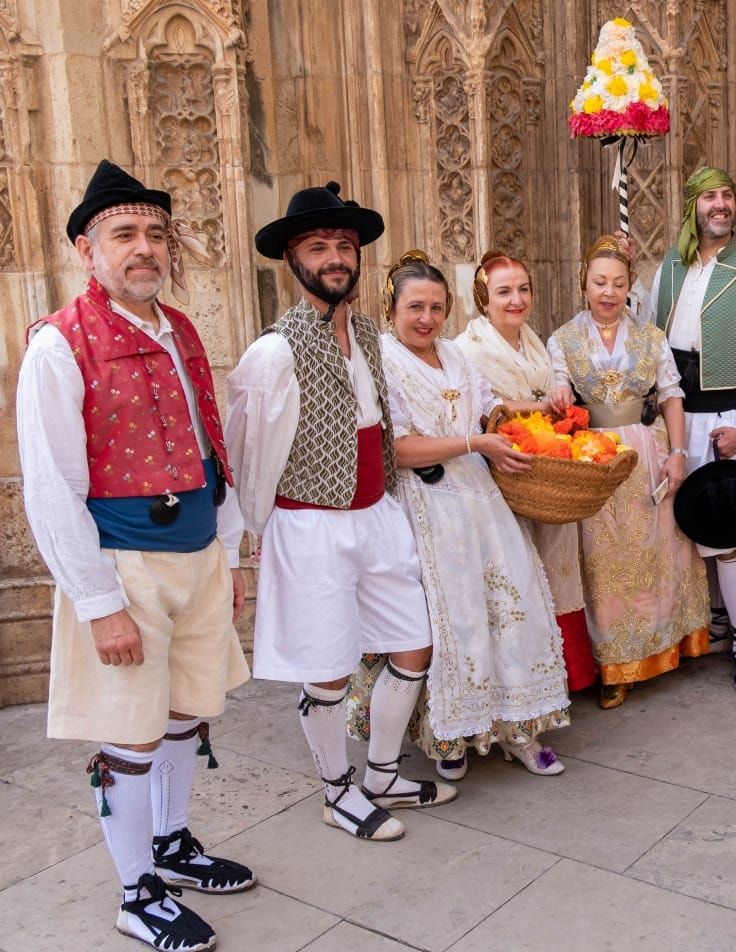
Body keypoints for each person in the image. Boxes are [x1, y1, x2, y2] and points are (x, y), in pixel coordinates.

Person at [17, 159, 255, 952]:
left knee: (188, 712)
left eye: (155, 233)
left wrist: (229, 552)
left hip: (196, 554)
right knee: (132, 735)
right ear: (88, 248)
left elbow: (210, 448)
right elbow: (52, 486)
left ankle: (172, 844)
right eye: (124, 234)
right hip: (124, 562)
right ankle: (134, 892)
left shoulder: (180, 328)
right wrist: (97, 602)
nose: (143, 247)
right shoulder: (59, 344)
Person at [226, 182, 453, 844]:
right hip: (311, 522)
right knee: (326, 665)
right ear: (292, 260)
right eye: (319, 246)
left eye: (344, 247)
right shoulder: (273, 352)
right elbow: (251, 454)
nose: (334, 258)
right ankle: (336, 790)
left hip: (376, 511)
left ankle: (381, 773)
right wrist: (250, 542)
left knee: (412, 644)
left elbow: (383, 423)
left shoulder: (369, 335)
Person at [350, 250, 570, 780]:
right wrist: (477, 440)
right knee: (451, 619)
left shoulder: (455, 355)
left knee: (513, 605)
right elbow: (396, 449)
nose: (426, 318)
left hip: (480, 498)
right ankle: (448, 734)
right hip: (422, 507)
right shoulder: (378, 359)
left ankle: (519, 727)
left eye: (436, 307)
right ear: (392, 308)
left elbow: (488, 408)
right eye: (415, 307)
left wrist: (537, 420)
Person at [635, 167, 736, 695]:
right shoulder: (670, 269)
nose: (720, 204)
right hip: (677, 417)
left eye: (727, 195)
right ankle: (717, 624)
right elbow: (648, 335)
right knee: (687, 526)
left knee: (728, 534)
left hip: (728, 418)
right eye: (709, 197)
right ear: (692, 207)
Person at [549, 234, 709, 708]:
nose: (608, 291)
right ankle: (614, 662)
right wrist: (559, 398)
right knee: (604, 558)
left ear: (628, 287)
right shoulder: (563, 339)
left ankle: (665, 646)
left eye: (618, 283)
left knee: (656, 551)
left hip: (646, 450)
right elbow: (558, 387)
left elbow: (671, 395)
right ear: (584, 284)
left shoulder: (650, 335)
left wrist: (677, 452)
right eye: (599, 281)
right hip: (594, 456)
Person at [455, 251, 598, 693]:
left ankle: (568, 672)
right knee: (515, 567)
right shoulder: (468, 348)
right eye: (503, 292)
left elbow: (553, 383)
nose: (516, 300)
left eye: (523, 289)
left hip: (544, 467)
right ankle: (523, 682)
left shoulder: (532, 340)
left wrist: (557, 400)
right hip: (502, 467)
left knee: (555, 559)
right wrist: (542, 406)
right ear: (483, 298)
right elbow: (482, 408)